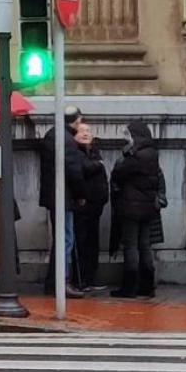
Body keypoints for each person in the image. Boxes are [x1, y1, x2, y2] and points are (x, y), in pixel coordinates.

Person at [109, 121, 164, 298]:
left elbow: (118, 173)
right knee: (145, 245)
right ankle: (147, 286)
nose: (126, 138)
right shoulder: (152, 154)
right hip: (148, 206)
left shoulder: (134, 156)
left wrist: (124, 157)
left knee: (131, 246)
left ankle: (130, 286)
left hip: (131, 206)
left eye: (128, 135)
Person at [38, 106, 87, 299]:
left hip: (55, 195)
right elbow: (74, 171)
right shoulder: (67, 140)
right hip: (63, 197)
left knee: (61, 239)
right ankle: (62, 281)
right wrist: (81, 194)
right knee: (66, 239)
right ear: (76, 120)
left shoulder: (53, 135)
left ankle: (54, 281)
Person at [74, 122, 109, 291]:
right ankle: (81, 279)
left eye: (88, 131)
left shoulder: (95, 152)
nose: (86, 134)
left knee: (92, 242)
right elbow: (83, 170)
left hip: (96, 204)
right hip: (82, 205)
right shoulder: (76, 152)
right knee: (81, 241)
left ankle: (91, 277)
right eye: (82, 131)